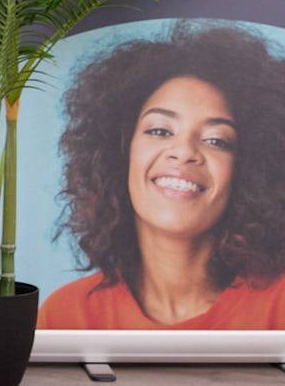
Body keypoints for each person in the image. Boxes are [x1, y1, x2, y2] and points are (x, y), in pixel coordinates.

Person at [39, 23, 285, 329]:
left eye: (216, 140)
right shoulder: (67, 314)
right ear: (120, 153)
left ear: (250, 169)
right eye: (159, 130)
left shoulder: (279, 305)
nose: (183, 152)